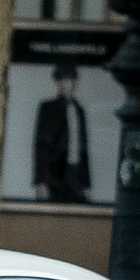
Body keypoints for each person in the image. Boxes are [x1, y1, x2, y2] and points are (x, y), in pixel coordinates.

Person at [34, 64, 92, 203]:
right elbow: (41, 146)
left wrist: (86, 184)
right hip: (55, 174)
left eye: (71, 80)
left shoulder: (79, 110)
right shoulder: (48, 108)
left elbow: (83, 148)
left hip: (76, 173)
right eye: (64, 80)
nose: (68, 85)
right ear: (57, 82)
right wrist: (41, 181)